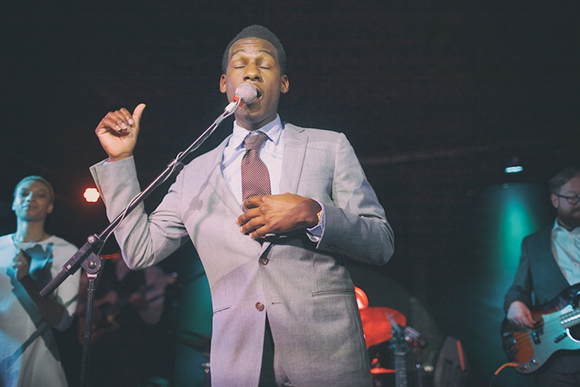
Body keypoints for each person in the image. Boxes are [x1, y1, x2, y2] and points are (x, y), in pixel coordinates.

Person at [90, 25, 394, 386]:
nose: (251, 71)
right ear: (224, 84)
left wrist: (314, 213)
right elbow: (140, 251)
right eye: (240, 65)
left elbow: (381, 242)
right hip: (239, 363)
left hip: (327, 358)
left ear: (282, 83)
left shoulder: (329, 147)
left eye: (264, 64)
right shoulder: (193, 172)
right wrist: (120, 162)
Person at [0, 175, 80, 387]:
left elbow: (63, 322)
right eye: (24, 194)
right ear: (14, 203)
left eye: (40, 195)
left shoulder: (67, 253)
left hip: (37, 363)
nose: (30, 199)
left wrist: (26, 280)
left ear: (50, 206)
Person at [504, 167, 580, 386]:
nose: (579, 202)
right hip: (556, 361)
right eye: (573, 197)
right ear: (555, 200)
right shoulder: (534, 243)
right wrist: (515, 303)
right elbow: (519, 288)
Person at [75, 251, 176, 386]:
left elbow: (154, 319)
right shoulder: (100, 264)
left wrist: (143, 306)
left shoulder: (153, 273)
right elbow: (76, 299)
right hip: (96, 347)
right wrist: (88, 311)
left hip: (129, 351)